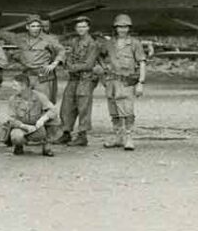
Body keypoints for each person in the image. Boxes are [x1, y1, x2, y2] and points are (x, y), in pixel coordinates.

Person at [98, 13, 147, 150]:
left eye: (125, 27)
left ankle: (129, 138)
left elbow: (142, 62)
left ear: (129, 28)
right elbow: (99, 57)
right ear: (115, 28)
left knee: (127, 110)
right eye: (120, 27)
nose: (122, 30)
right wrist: (104, 69)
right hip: (112, 81)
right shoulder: (109, 44)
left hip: (126, 82)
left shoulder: (134, 43)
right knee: (113, 110)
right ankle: (118, 137)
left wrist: (141, 83)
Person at [0, 15, 65, 101]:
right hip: (28, 73)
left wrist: (54, 64)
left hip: (43, 73)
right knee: (27, 101)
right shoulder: (21, 38)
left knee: (43, 101)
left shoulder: (49, 39)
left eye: (38, 26)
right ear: (27, 27)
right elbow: (9, 36)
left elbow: (61, 50)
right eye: (33, 26)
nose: (36, 29)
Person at [58, 15, 100, 146]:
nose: (81, 29)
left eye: (84, 26)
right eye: (79, 27)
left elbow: (89, 64)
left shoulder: (93, 44)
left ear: (88, 28)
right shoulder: (74, 41)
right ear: (76, 28)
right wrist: (69, 64)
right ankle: (66, 133)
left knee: (83, 107)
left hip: (86, 79)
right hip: (74, 78)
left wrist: (72, 67)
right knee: (67, 105)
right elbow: (68, 56)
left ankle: (82, 136)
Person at [3, 72, 61, 157]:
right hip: (22, 128)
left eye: (15, 85)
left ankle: (47, 145)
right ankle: (19, 145)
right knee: (16, 137)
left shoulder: (39, 96)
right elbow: (11, 119)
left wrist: (43, 119)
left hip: (38, 128)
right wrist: (25, 126)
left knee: (55, 120)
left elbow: (53, 110)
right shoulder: (13, 99)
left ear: (23, 86)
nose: (13, 88)